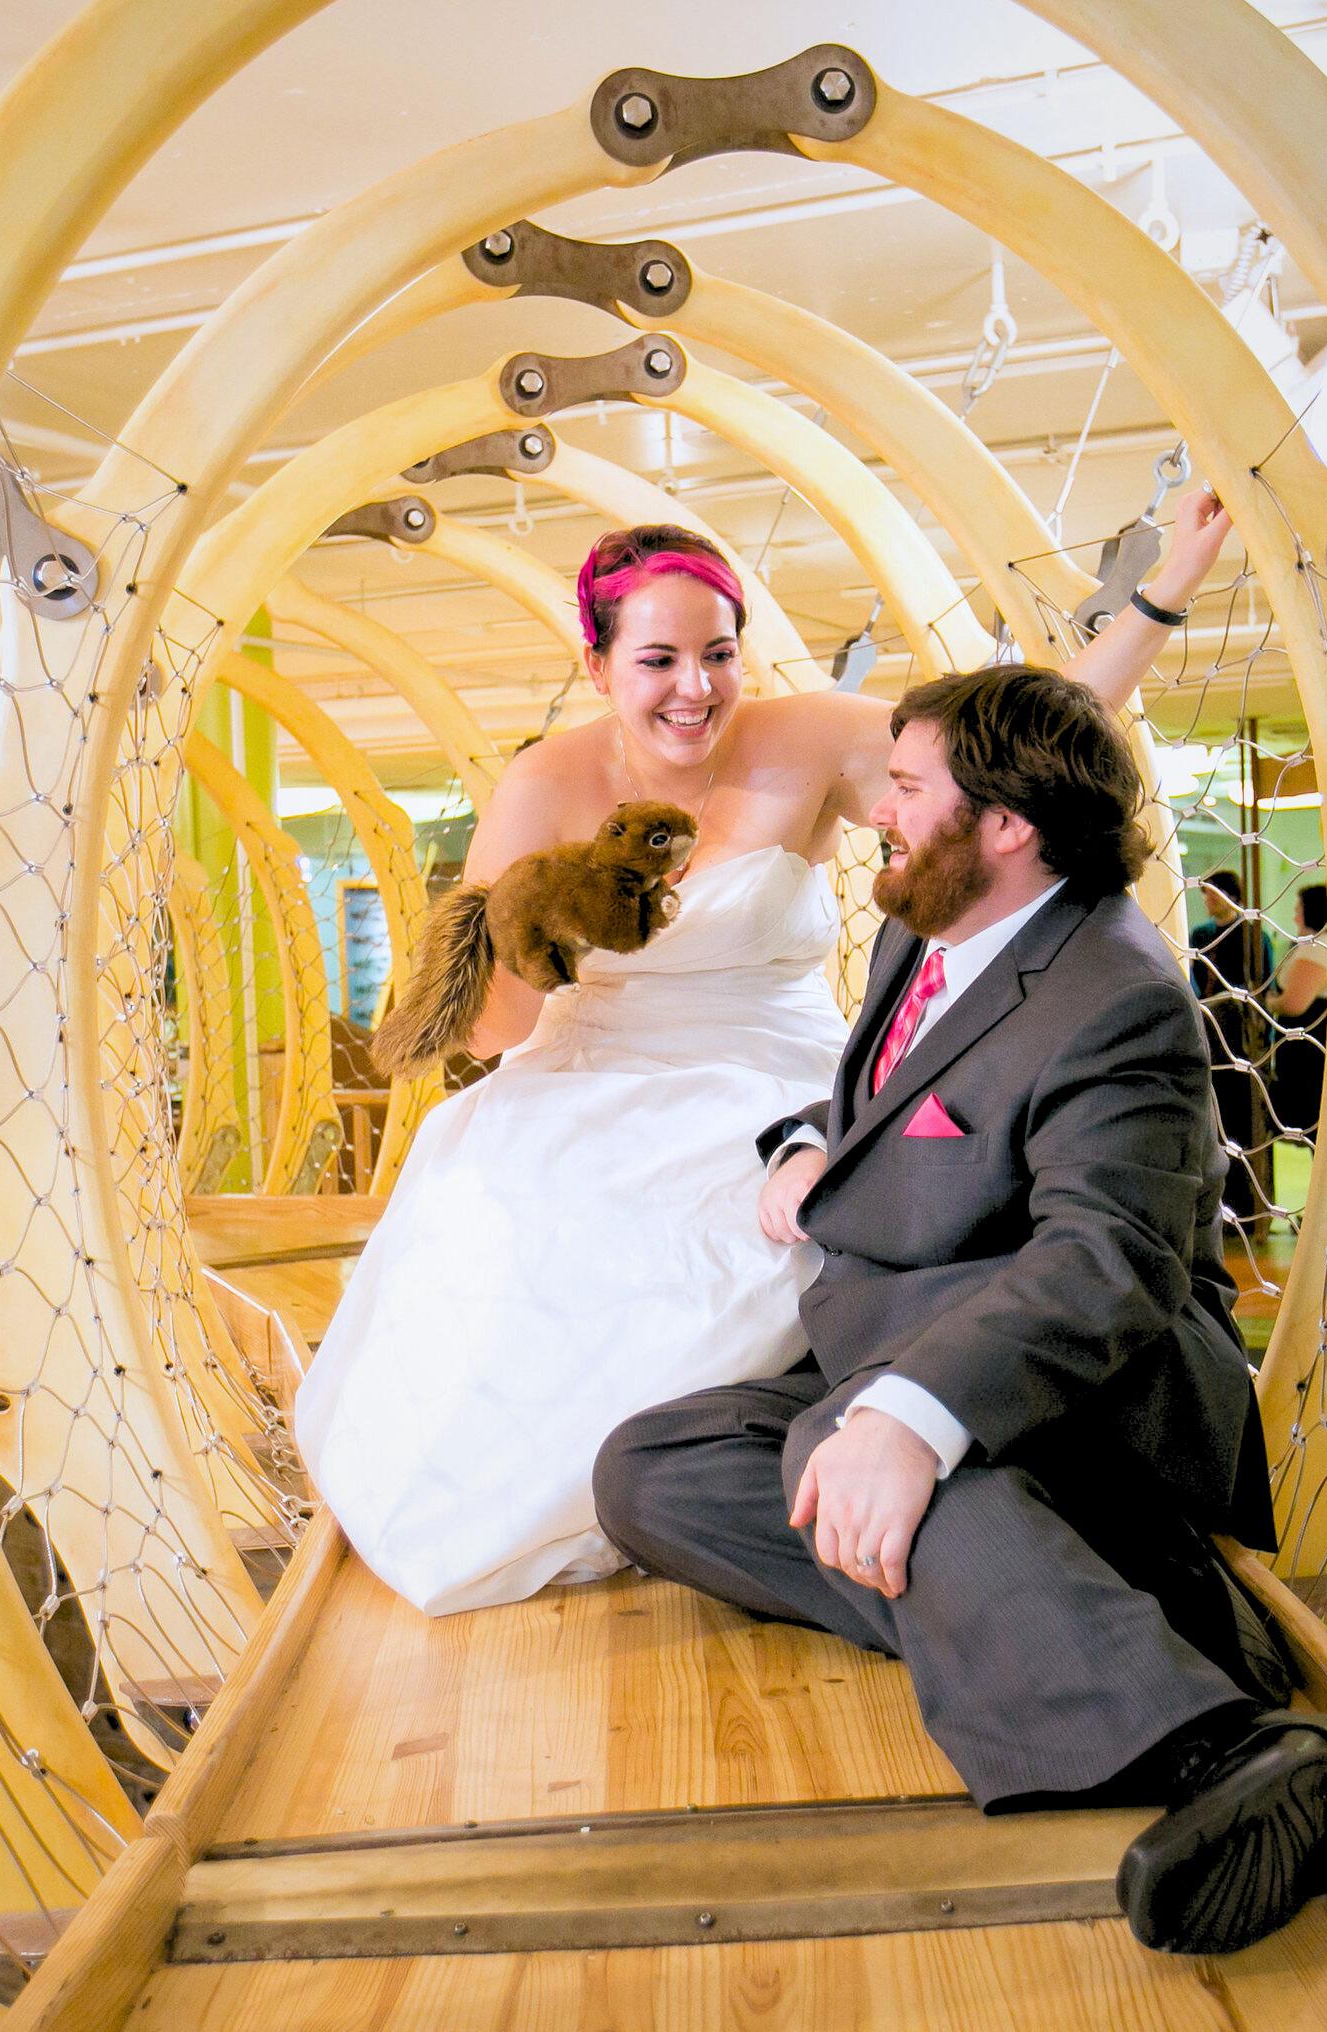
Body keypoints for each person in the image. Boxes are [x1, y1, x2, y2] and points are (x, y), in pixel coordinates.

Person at [592, 668, 1327, 1958]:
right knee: (647, 1469)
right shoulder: (927, 925)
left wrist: (907, 1417)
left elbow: (1110, 1263)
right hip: (900, 1350)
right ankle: (1080, 1611)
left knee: (848, 1452)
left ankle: (1235, 1746)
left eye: (906, 787)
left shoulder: (1118, 993)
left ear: (1006, 824)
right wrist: (806, 1143)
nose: (878, 809)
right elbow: (893, 1101)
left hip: (1089, 1389)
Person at [295, 490, 1234, 1616]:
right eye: (658, 660)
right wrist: (535, 924)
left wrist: (1162, 595)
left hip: (786, 1077)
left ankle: (902, 1461)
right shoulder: (544, 785)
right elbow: (494, 1032)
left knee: (815, 1225)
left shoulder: (813, 737)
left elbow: (1020, 755)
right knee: (517, 1216)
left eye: (719, 654)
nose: (694, 688)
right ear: (597, 665)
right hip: (593, 1075)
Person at [1186, 869, 1274, 1240]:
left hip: (1243, 1042)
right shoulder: (1200, 935)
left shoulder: (1253, 934)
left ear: (1230, 895)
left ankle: (1251, 1211)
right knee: (1217, 1126)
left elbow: (1263, 988)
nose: (1207, 900)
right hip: (1211, 1038)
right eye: (1204, 894)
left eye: (1212, 893)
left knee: (1245, 1125)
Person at [1263, 883, 1327, 1143]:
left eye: (1298, 909)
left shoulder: (1317, 949)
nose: (1294, 916)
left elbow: (1295, 1003)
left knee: (1314, 1123)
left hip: (1309, 1050)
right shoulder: (1324, 945)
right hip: (1311, 1046)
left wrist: (1269, 1002)